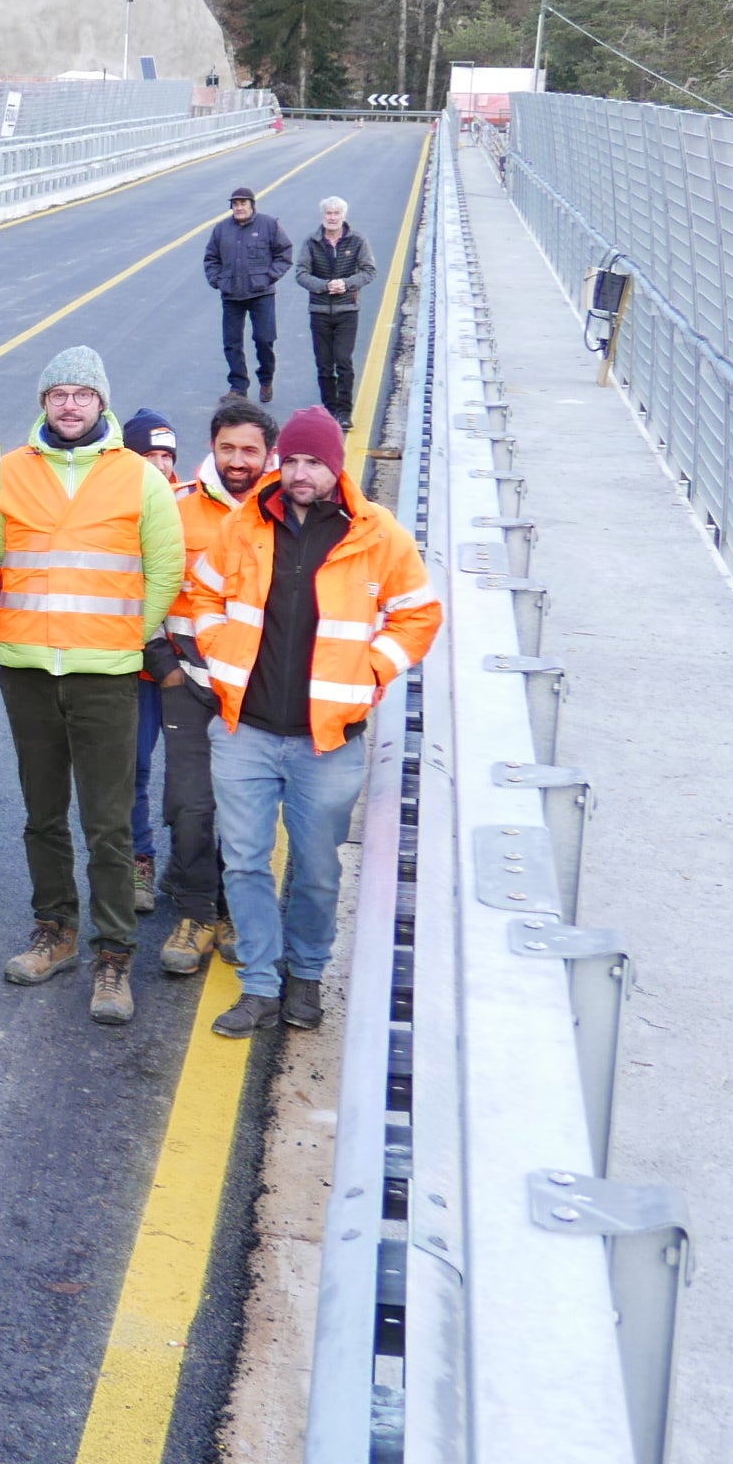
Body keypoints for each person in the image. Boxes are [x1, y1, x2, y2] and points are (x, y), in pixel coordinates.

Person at [189, 406, 439, 1037]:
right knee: (244, 862)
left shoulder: (377, 535)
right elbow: (203, 595)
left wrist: (371, 672)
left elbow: (419, 616)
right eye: (292, 461)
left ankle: (306, 978)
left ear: (336, 467)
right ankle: (261, 986)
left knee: (318, 866)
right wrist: (220, 653)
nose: (300, 474)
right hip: (245, 731)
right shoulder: (245, 525)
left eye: (313, 463)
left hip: (326, 742)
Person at [0, 345, 184, 1027]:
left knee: (107, 824)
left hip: (107, 676)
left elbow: (165, 568)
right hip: (29, 672)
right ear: (44, 403)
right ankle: (55, 932)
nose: (70, 405)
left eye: (82, 394)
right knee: (41, 816)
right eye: (58, 394)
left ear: (102, 402)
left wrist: (129, 638)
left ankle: (114, 954)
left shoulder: (138, 478)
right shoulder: (8, 473)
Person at [154, 396, 274, 975]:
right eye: (227, 448)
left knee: (245, 806)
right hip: (189, 681)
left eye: (249, 449)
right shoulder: (175, 507)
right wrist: (163, 662)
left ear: (269, 454)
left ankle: (233, 908)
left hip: (259, 693)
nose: (237, 460)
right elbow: (144, 581)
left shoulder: (287, 512)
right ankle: (197, 911)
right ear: (212, 447)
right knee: (191, 802)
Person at [121, 408, 183, 912]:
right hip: (135, 669)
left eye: (167, 456)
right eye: (149, 455)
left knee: (189, 782)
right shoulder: (118, 509)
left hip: (188, 676)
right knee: (132, 771)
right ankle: (138, 861)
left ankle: (190, 870)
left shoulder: (193, 507)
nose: (160, 466)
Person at [203, 186, 294, 403]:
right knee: (232, 342)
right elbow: (211, 258)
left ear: (252, 205)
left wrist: (269, 277)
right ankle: (238, 386)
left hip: (261, 293)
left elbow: (284, 253)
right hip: (231, 294)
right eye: (235, 204)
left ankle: (266, 379)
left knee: (264, 339)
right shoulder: (221, 229)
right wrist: (217, 280)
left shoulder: (269, 225)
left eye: (243, 203)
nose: (239, 207)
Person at [298, 198, 377, 424]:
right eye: (328, 213)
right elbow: (301, 273)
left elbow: (369, 271)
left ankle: (344, 411)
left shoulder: (357, 241)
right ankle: (328, 409)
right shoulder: (311, 243)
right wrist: (323, 286)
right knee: (324, 363)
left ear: (344, 215)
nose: (332, 217)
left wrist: (347, 283)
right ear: (322, 216)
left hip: (347, 310)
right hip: (319, 310)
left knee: (343, 360)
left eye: (336, 213)